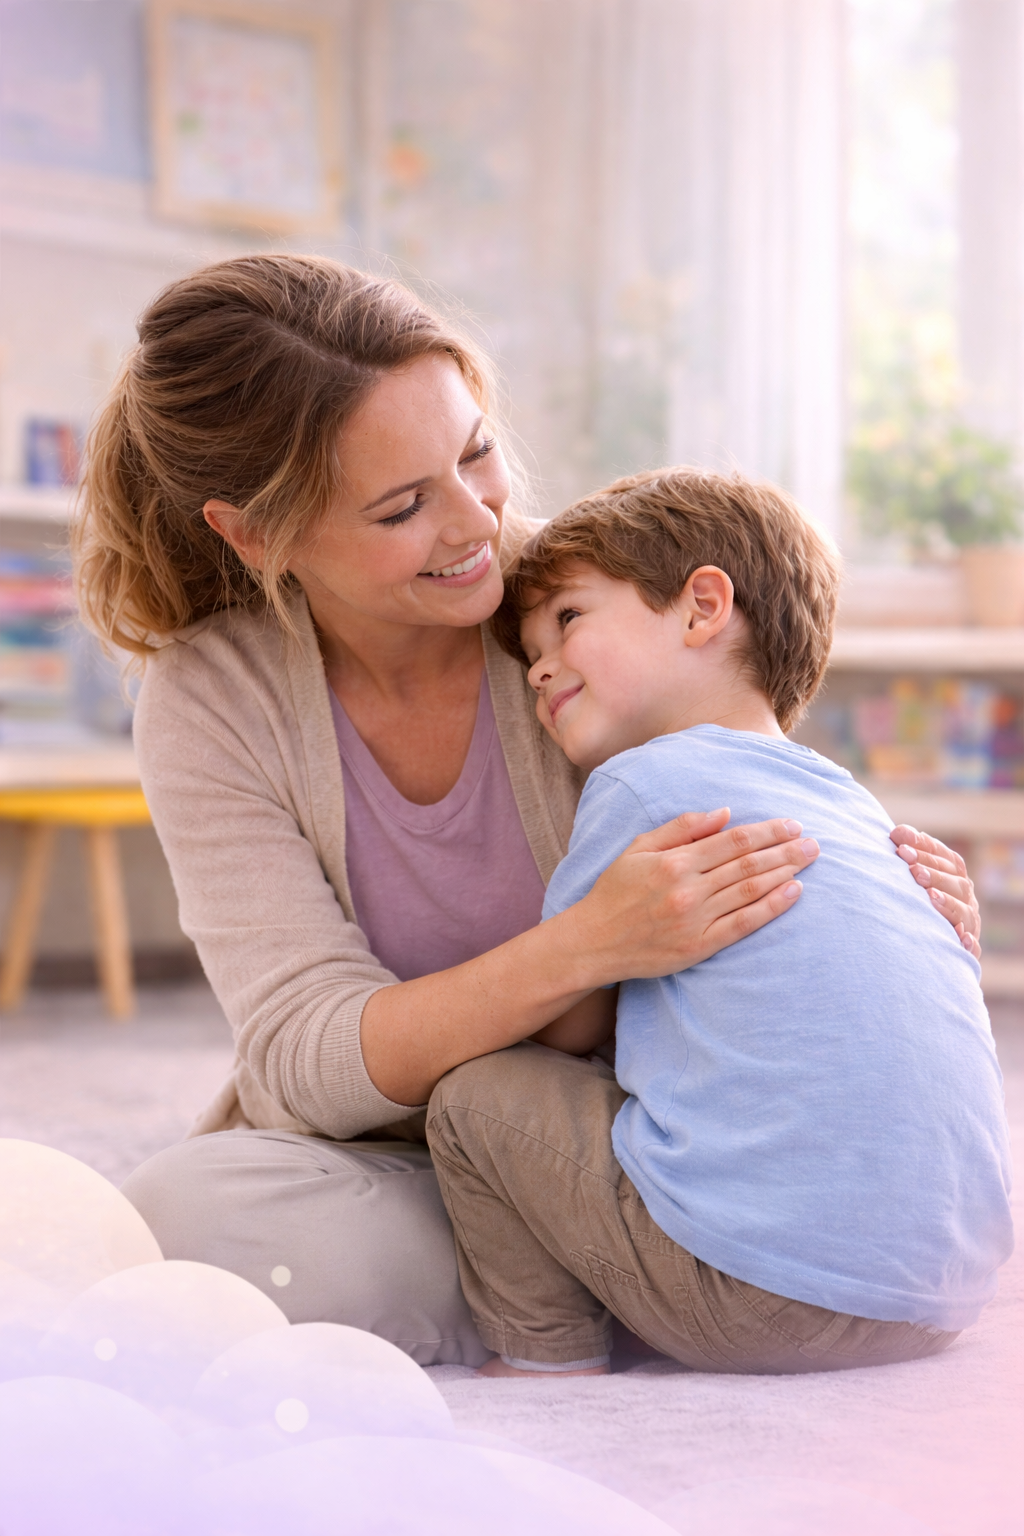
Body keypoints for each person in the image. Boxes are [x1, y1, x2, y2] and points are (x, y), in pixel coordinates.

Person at [73, 255, 981, 1365]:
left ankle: (656, 1283)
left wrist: (885, 903)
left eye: (475, 455)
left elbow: (753, 792)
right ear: (257, 535)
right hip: (403, 1156)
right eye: (404, 506)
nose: (475, 524)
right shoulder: (214, 696)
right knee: (187, 1217)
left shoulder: (576, 620)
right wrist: (585, 948)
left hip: (648, 1145)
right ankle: (635, 1290)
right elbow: (304, 1058)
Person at [427, 467, 1013, 1377]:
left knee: (479, 1098)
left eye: (568, 620)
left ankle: (544, 1355)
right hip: (943, 1292)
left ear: (704, 606)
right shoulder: (853, 806)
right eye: (530, 650)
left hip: (756, 1298)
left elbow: (567, 1029)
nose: (540, 666)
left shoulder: (640, 783)